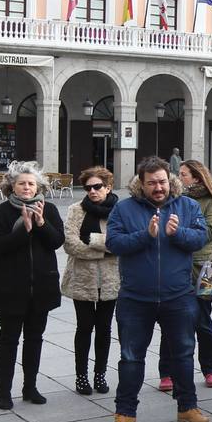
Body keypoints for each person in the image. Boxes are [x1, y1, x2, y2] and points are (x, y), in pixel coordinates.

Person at [105, 157, 211, 422]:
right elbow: (114, 243)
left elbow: (201, 239)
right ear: (141, 183)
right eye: (151, 183)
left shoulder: (187, 206)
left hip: (178, 295)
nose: (158, 187)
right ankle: (125, 413)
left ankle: (187, 407)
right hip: (135, 298)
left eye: (162, 181)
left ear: (170, 180)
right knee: (130, 357)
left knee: (184, 354)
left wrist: (178, 234)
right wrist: (145, 235)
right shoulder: (124, 208)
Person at [0, 163, 64, 409]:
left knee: (35, 339)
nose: (27, 187)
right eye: (22, 183)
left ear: (38, 186)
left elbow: (56, 242)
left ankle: (30, 387)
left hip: (40, 288)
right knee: (8, 341)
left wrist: (41, 224)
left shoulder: (49, 209)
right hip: (10, 289)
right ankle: (4, 392)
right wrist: (24, 229)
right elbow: (0, 247)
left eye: (31, 183)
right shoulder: (0, 213)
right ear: (12, 185)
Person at [62, 166, 119, 396]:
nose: (93, 191)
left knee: (104, 328)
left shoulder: (119, 210)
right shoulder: (76, 209)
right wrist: (104, 249)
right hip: (81, 280)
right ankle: (81, 376)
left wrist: (92, 240)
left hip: (110, 280)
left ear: (108, 187)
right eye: (88, 188)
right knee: (84, 327)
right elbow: (70, 244)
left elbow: (120, 242)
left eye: (97, 187)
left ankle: (100, 374)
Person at [176, 160, 212, 390]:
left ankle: (210, 369)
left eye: (183, 174)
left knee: (203, 321)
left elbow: (209, 232)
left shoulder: (210, 202)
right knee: (174, 322)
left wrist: (178, 232)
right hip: (176, 266)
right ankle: (167, 371)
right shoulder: (175, 200)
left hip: (202, 267)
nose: (179, 177)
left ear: (196, 177)